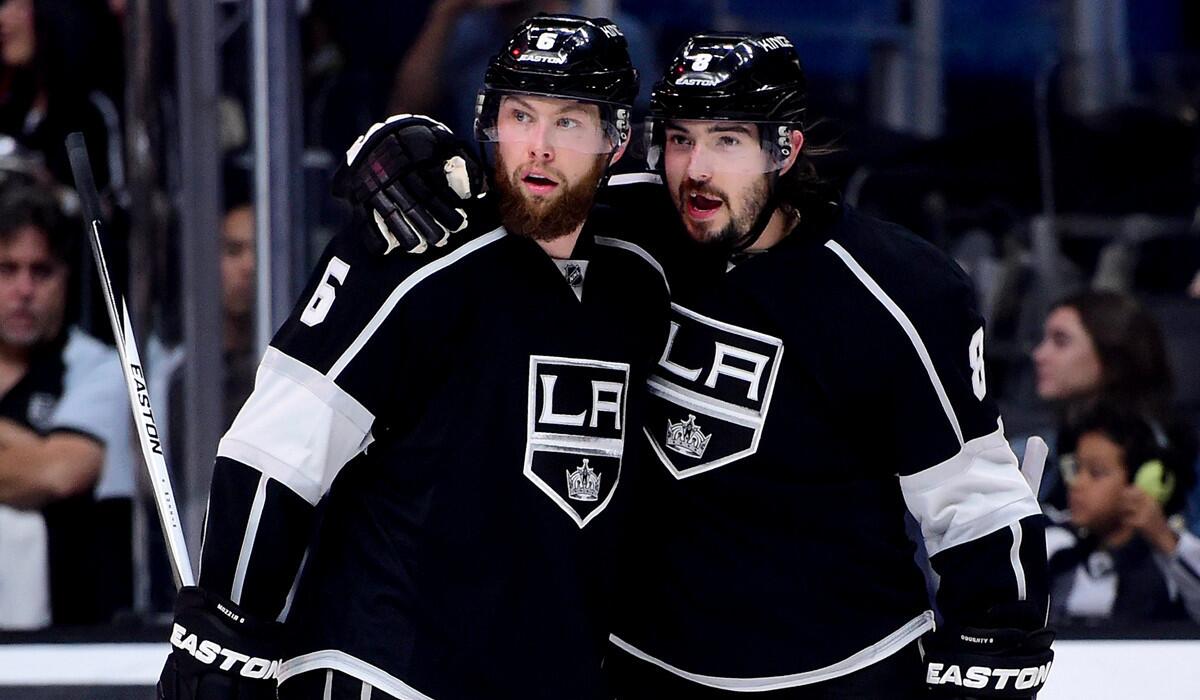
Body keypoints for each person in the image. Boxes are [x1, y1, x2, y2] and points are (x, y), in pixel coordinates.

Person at [338, 29, 1056, 699]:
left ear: (786, 149)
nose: (698, 169)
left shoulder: (899, 288)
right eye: (679, 139)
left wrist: (998, 638)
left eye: (728, 139)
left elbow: (975, 494)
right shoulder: (620, 229)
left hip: (846, 671)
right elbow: (512, 178)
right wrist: (400, 149)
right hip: (644, 669)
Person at [156, 14, 670, 700]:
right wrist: (223, 637)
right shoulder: (415, 243)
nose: (538, 148)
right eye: (521, 116)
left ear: (617, 140)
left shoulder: (638, 274)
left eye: (569, 123)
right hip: (383, 672)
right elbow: (271, 455)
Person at [0, 183, 133, 628]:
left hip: (65, 646)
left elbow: (59, 474)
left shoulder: (102, 369)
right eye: (6, 269)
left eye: (41, 271)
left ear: (67, 277)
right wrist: (27, 450)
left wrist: (39, 461)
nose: (23, 290)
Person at [1031, 290, 1197, 517]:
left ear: (1111, 354)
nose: (1039, 354)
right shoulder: (1051, 440)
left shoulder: (1162, 450)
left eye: (1061, 341)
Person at [1046, 402, 1200, 624]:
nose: (1077, 483)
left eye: (1096, 473)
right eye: (1076, 468)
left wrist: (1165, 540)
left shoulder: (1168, 562)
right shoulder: (1057, 545)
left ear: (1142, 483)